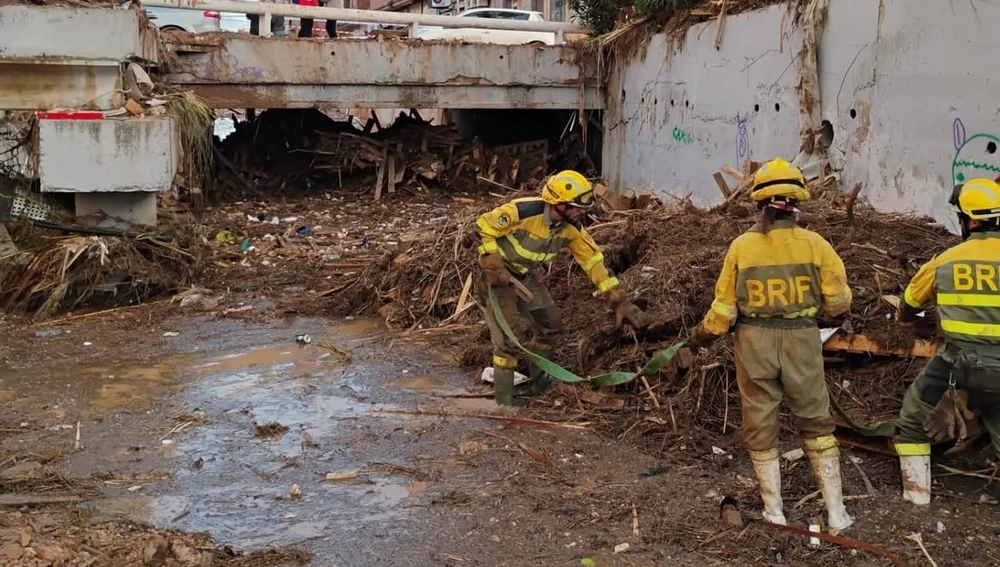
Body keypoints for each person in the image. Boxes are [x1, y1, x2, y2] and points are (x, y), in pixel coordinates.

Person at [688, 157, 854, 532]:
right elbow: (839, 303)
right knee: (816, 419)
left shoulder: (742, 248)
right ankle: (836, 512)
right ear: (799, 202)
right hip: (802, 339)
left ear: (759, 202)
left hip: (753, 341)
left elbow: (723, 312)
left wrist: (701, 337)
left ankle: (774, 511)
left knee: (760, 421)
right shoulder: (816, 245)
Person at [475, 170, 647, 406]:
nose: (582, 212)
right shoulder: (523, 211)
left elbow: (592, 261)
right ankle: (504, 404)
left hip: (525, 278)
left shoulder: (571, 228)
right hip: (498, 280)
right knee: (508, 340)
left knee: (550, 327)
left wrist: (618, 299)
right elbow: (484, 225)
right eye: (577, 207)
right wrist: (491, 260)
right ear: (559, 204)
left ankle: (541, 386)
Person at [893, 177, 1000, 505]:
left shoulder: (945, 261)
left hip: (957, 365)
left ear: (970, 220)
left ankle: (917, 497)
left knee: (912, 417)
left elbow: (907, 308)